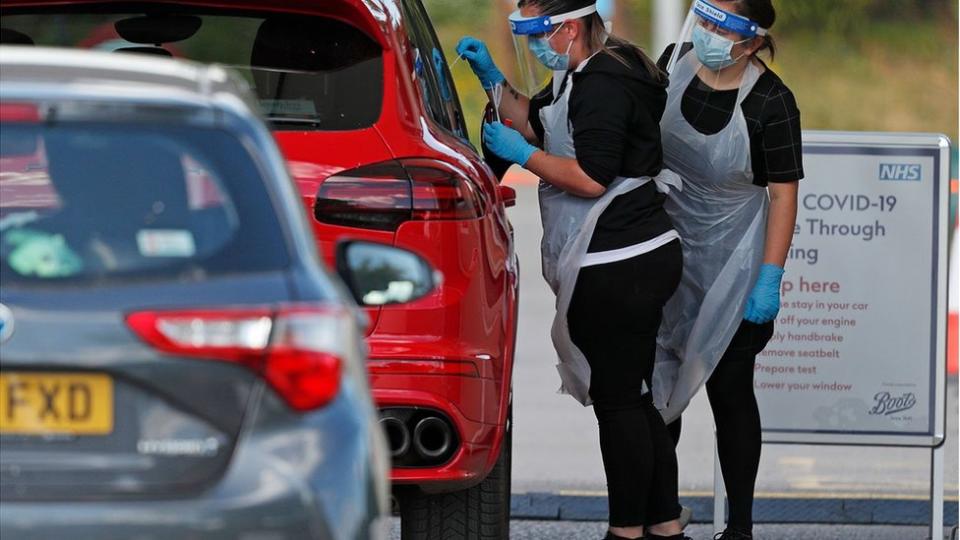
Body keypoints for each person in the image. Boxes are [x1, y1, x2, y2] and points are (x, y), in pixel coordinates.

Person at [457, 2, 689, 539]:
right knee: (635, 398)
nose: (535, 46)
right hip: (625, 255)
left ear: (569, 27)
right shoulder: (578, 73)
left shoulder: (604, 83)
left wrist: (520, 155)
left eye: (538, 34)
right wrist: (492, 79)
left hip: (622, 261)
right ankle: (665, 527)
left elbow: (589, 177)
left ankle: (626, 531)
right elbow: (538, 120)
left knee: (619, 403)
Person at [652, 1, 802, 539]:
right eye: (705, 17)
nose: (709, 33)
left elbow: (783, 195)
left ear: (752, 40)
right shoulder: (673, 64)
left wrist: (769, 277)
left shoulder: (772, 101)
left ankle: (739, 528)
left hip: (732, 266)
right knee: (656, 394)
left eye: (723, 26)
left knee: (731, 396)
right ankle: (659, 517)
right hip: (663, 254)